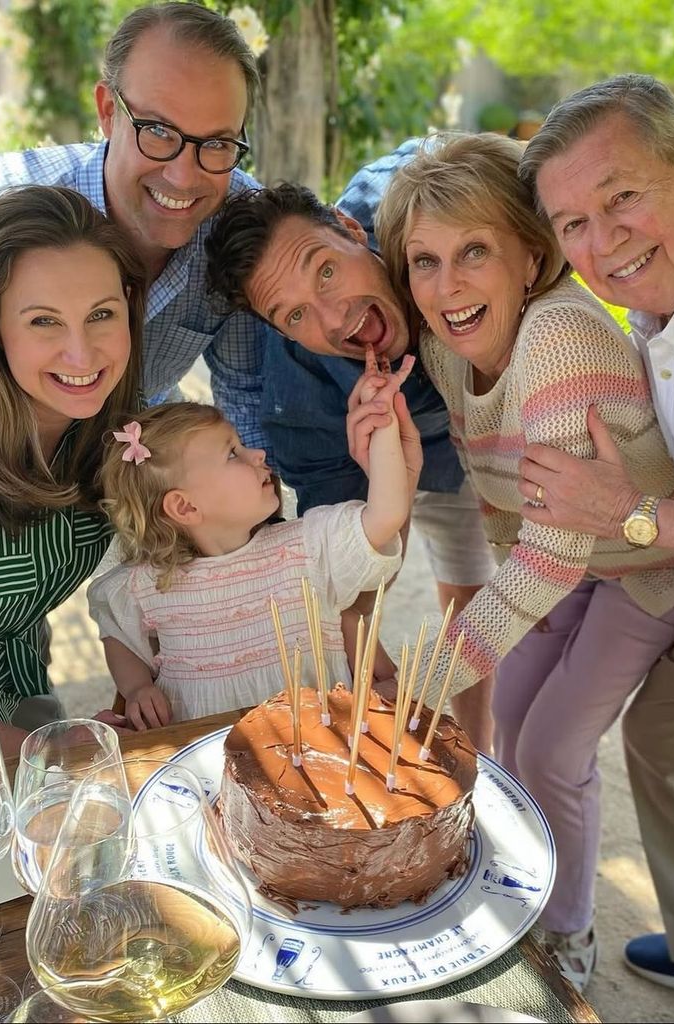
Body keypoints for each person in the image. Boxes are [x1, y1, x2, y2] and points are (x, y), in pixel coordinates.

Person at [373, 131, 674, 991]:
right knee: (509, 724)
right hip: (563, 558)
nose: (444, 287)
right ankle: (518, 879)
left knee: (555, 748)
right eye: (424, 260)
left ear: (531, 257)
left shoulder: (557, 337)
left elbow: (552, 554)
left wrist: (425, 676)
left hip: (643, 564)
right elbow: (499, 505)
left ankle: (566, 929)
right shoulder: (451, 343)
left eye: (473, 252)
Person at [516, 74, 674, 999]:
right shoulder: (646, 284)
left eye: (620, 196)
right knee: (668, 735)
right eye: (571, 223)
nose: (602, 241)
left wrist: (634, 518)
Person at [206, 154, 498, 748]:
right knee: (456, 596)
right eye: (294, 315)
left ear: (351, 229)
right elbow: (351, 560)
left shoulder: (425, 203)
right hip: (408, 451)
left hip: (497, 415)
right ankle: (473, 760)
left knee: (482, 597)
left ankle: (483, 749)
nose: (334, 315)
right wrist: (370, 659)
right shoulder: (302, 407)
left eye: (327, 273)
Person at [0, 2, 270, 445]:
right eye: (157, 130)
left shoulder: (239, 225)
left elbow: (246, 401)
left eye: (216, 143)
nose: (183, 176)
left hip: (132, 466)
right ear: (108, 112)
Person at [87, 355, 420, 728]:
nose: (257, 453)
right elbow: (117, 631)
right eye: (233, 453)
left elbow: (387, 515)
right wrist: (134, 687)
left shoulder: (305, 548)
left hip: (320, 747)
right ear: (184, 506)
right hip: (211, 757)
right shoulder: (150, 584)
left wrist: (384, 423)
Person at [0, 185, 145, 753]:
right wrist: (47, 752)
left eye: (101, 314)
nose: (82, 356)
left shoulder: (122, 439)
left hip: (24, 699)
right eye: (43, 322)